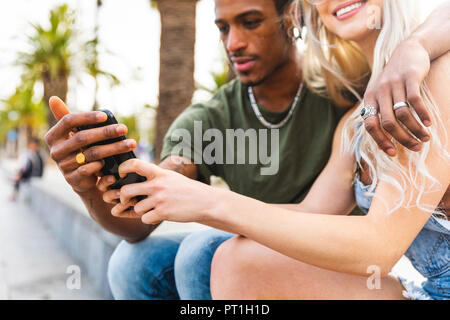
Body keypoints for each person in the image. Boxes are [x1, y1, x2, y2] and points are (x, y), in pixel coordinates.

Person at [45, 0, 450, 300]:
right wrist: (103, 186)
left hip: (394, 268)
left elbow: (378, 244)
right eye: (223, 29)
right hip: (408, 282)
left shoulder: (420, 76)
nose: (234, 42)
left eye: (251, 22)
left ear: (289, 19)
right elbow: (313, 211)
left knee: (208, 256)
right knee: (205, 260)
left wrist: (415, 46)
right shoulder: (355, 117)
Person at [10, 137, 44, 201]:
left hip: (36, 174)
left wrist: (21, 174)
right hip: (32, 173)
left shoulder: (37, 155)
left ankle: (14, 195)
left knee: (18, 178)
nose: (31, 147)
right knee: (18, 176)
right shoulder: (34, 154)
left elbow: (32, 168)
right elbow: (28, 166)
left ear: (37, 146)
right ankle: (14, 194)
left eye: (33, 145)